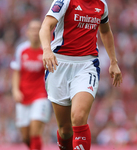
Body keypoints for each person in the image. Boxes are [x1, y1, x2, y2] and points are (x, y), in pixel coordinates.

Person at [39, 0, 122, 149]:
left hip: (86, 65)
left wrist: (113, 61)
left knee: (78, 117)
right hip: (59, 64)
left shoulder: (101, 4)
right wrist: (46, 50)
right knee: (65, 130)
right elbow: (46, 25)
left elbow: (105, 31)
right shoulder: (64, 1)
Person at [10, 19, 51, 150]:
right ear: (27, 32)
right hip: (23, 96)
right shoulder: (21, 50)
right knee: (25, 136)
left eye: (38, 29)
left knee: (35, 131)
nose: (35, 32)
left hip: (40, 95)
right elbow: (17, 72)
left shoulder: (47, 51)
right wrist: (15, 90)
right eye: (32, 29)